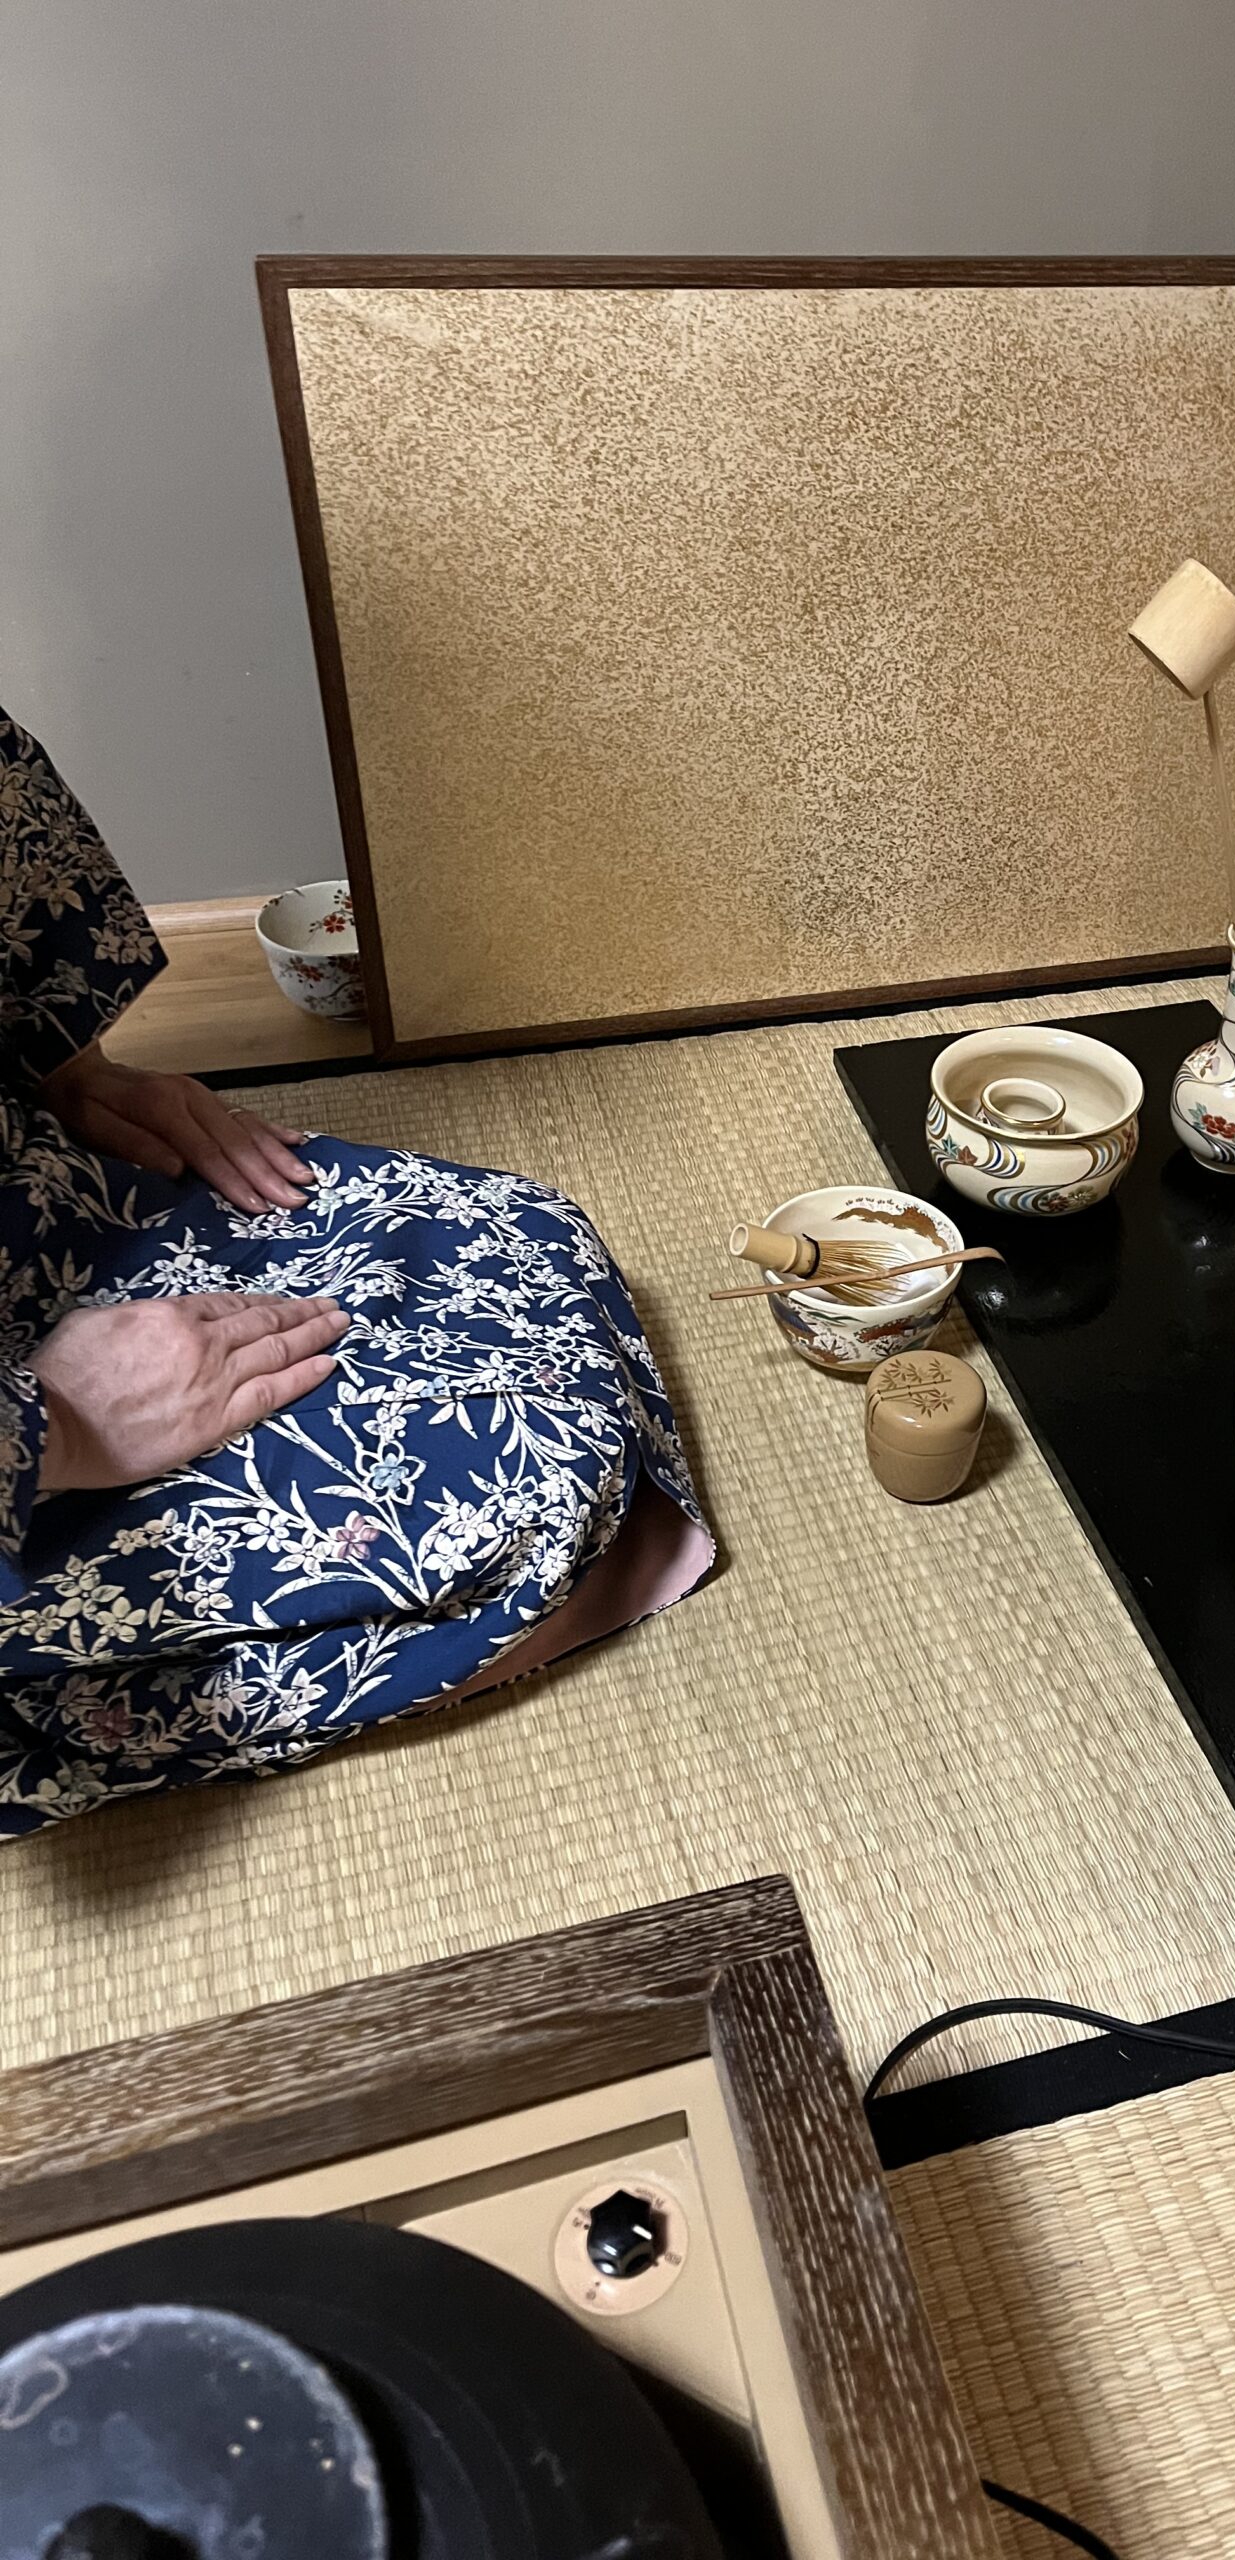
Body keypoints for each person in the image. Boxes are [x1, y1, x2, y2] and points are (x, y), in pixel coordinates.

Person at [0, 707, 711, 1836]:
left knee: (508, 1229)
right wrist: (58, 1423)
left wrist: (68, 1071)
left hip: (34, 1196)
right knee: (511, 1486)